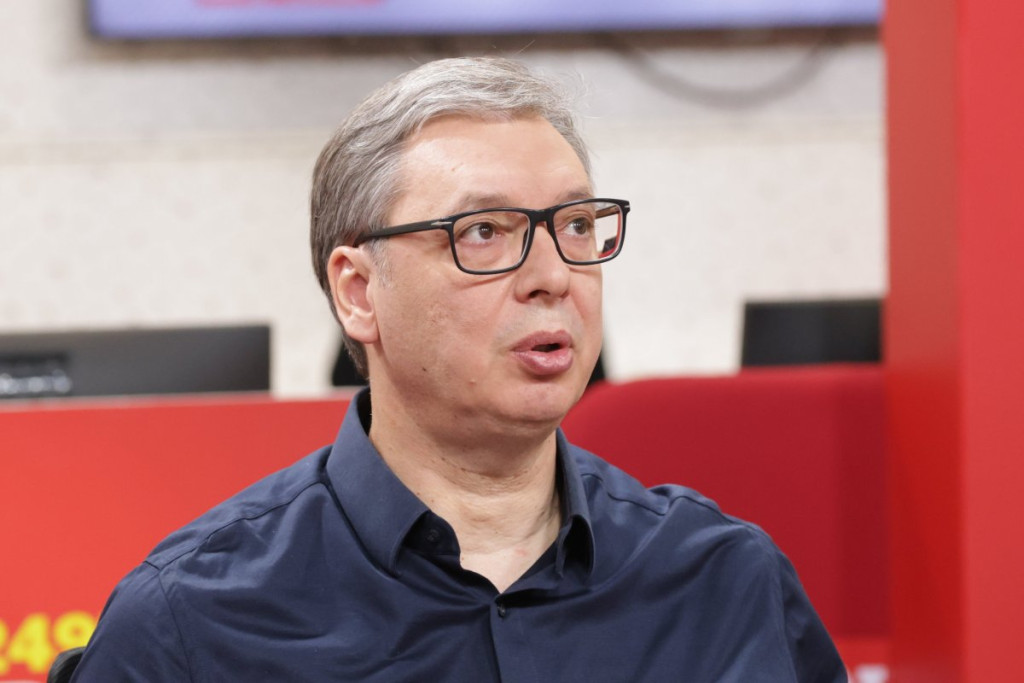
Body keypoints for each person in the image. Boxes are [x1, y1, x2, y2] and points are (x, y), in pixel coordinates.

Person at [71, 57, 846, 682]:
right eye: (483, 232)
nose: (553, 274)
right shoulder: (188, 623)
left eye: (577, 224)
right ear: (358, 292)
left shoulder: (723, 579)